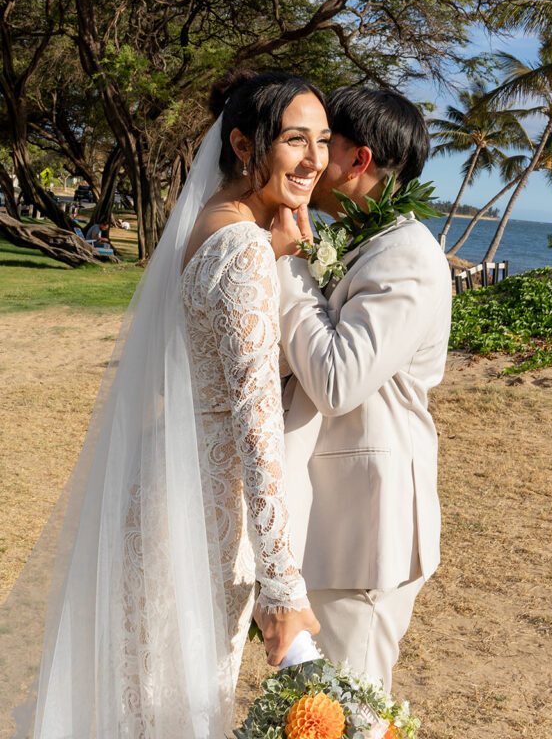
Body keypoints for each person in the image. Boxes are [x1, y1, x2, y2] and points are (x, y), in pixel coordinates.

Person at [10, 69, 326, 738]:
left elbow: (182, 362)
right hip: (203, 514)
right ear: (244, 145)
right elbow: (257, 422)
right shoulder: (242, 246)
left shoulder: (211, 223)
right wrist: (284, 588)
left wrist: (270, 249)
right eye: (295, 141)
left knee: (139, 695)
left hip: (161, 483)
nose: (313, 160)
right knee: (174, 707)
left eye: (321, 141)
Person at [270, 86, 452, 690]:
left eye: (326, 142)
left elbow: (338, 380)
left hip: (368, 525)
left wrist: (292, 265)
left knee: (352, 709)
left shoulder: (406, 258)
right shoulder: (368, 244)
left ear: (359, 161)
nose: (313, 158)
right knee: (313, 706)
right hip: (335, 512)